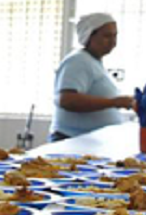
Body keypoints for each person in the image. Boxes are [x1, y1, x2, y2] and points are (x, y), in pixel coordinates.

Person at [50, 13, 136, 142]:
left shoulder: (94, 62)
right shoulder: (78, 60)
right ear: (89, 36)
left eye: (115, 36)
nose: (113, 42)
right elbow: (68, 100)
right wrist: (114, 102)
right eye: (107, 36)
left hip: (87, 142)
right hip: (72, 141)